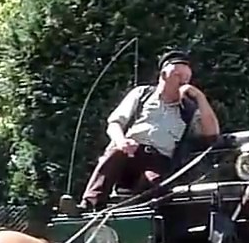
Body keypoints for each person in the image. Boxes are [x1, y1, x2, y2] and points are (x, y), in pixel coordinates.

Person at [60, 50, 221, 215]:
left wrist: (200, 98)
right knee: (114, 154)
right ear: (164, 75)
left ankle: (131, 214)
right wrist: (122, 141)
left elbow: (212, 134)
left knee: (154, 183)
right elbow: (114, 123)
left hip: (159, 160)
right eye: (178, 76)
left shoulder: (188, 109)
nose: (183, 82)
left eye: (187, 78)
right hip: (130, 151)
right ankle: (87, 204)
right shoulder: (142, 94)